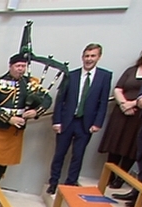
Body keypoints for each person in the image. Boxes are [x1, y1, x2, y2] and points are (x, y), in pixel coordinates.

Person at [0, 54, 52, 205]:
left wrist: (36, 112)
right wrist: (8, 118)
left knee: (3, 162)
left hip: (16, 130)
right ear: (10, 66)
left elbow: (47, 99)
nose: (21, 69)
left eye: (23, 66)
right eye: (18, 66)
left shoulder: (31, 83)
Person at [99, 40, 142, 190]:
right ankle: (108, 176)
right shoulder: (132, 70)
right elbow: (118, 88)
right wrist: (124, 103)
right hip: (122, 112)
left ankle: (120, 179)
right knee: (115, 143)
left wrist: (134, 104)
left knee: (131, 147)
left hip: (139, 115)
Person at [47, 43, 112, 194]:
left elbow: (103, 102)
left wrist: (98, 123)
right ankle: (53, 182)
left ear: (98, 57)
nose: (89, 59)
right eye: (87, 56)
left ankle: (70, 183)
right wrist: (57, 121)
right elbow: (60, 99)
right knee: (59, 154)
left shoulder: (104, 76)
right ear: (82, 57)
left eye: (93, 56)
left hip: (85, 123)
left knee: (78, 155)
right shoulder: (71, 75)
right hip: (67, 122)